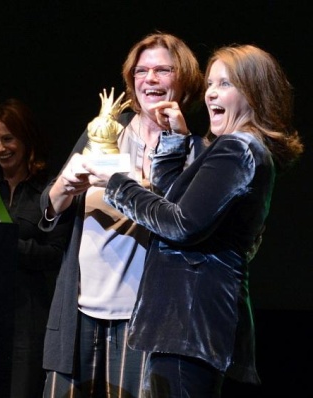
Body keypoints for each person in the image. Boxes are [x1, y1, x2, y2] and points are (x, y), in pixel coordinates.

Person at [82, 44, 304, 397]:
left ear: (253, 93)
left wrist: (116, 184)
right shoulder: (237, 148)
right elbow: (177, 203)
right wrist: (174, 142)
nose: (212, 92)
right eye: (211, 83)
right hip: (187, 325)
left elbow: (181, 223)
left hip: (190, 323)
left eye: (226, 84)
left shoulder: (238, 148)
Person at [38, 32, 204, 397]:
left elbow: (186, 227)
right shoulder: (105, 130)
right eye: (142, 71)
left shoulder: (197, 152)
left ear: (184, 79)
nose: (150, 79)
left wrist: (145, 178)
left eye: (163, 70)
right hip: (79, 311)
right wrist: (63, 187)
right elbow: (49, 210)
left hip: (143, 321)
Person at [0, 98, 70, 398]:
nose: (0, 148)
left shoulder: (51, 189)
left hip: (30, 315)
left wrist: (4, 244)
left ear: (26, 139)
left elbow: (57, 253)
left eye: (8, 139)